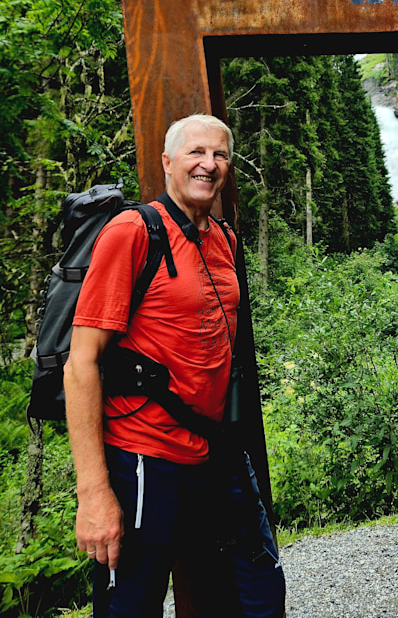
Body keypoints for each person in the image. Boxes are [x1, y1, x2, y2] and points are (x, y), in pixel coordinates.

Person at [64, 114, 285, 617]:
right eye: (196, 153)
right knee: (133, 605)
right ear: (167, 163)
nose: (209, 164)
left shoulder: (224, 238)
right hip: (145, 459)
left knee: (260, 590)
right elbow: (81, 364)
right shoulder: (133, 232)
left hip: (218, 454)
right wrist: (94, 493)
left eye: (220, 155)